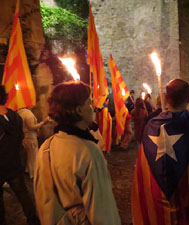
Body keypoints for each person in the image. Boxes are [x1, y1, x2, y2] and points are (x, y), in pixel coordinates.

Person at [131, 79, 189, 225]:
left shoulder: (150, 128)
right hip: (188, 212)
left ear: (166, 98)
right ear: (188, 99)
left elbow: (141, 172)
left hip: (157, 212)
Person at [34, 81, 121, 225]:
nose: (92, 107)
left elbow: (42, 200)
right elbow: (103, 211)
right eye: (90, 103)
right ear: (79, 110)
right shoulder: (88, 152)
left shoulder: (45, 147)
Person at [0, 85, 40, 225]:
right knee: (23, 194)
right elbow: (19, 137)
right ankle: (33, 219)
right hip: (13, 163)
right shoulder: (15, 115)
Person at [17, 108, 48, 178]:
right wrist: (42, 123)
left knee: (28, 157)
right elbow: (31, 127)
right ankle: (33, 174)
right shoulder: (28, 114)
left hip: (24, 137)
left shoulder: (20, 113)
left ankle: (28, 171)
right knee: (33, 157)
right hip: (31, 138)